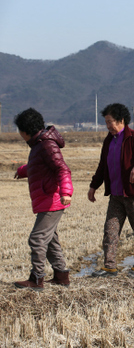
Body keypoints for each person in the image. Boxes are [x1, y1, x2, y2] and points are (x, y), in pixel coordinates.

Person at [89, 103, 134, 279]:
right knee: (110, 230)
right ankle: (110, 267)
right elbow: (102, 166)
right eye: (106, 122)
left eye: (110, 121)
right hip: (116, 195)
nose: (108, 126)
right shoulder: (108, 140)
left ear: (121, 120)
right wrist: (93, 187)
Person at [13, 108, 73, 290]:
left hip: (51, 200)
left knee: (37, 239)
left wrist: (66, 192)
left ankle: (36, 279)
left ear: (25, 131)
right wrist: (23, 170)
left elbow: (62, 168)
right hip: (47, 199)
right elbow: (38, 166)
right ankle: (61, 276)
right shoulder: (39, 144)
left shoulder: (46, 144)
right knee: (50, 240)